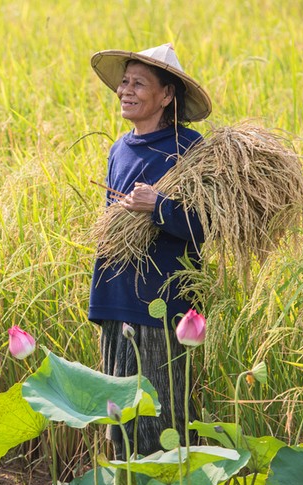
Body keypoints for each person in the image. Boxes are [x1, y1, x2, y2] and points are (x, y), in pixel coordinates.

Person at [87, 43, 212, 459]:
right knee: (118, 427)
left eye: (139, 83)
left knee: (162, 426)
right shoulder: (118, 148)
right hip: (116, 301)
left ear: (167, 95)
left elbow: (207, 226)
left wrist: (159, 206)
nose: (126, 90)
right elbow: (111, 233)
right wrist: (99, 304)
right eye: (124, 81)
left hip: (162, 306)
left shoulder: (191, 150)